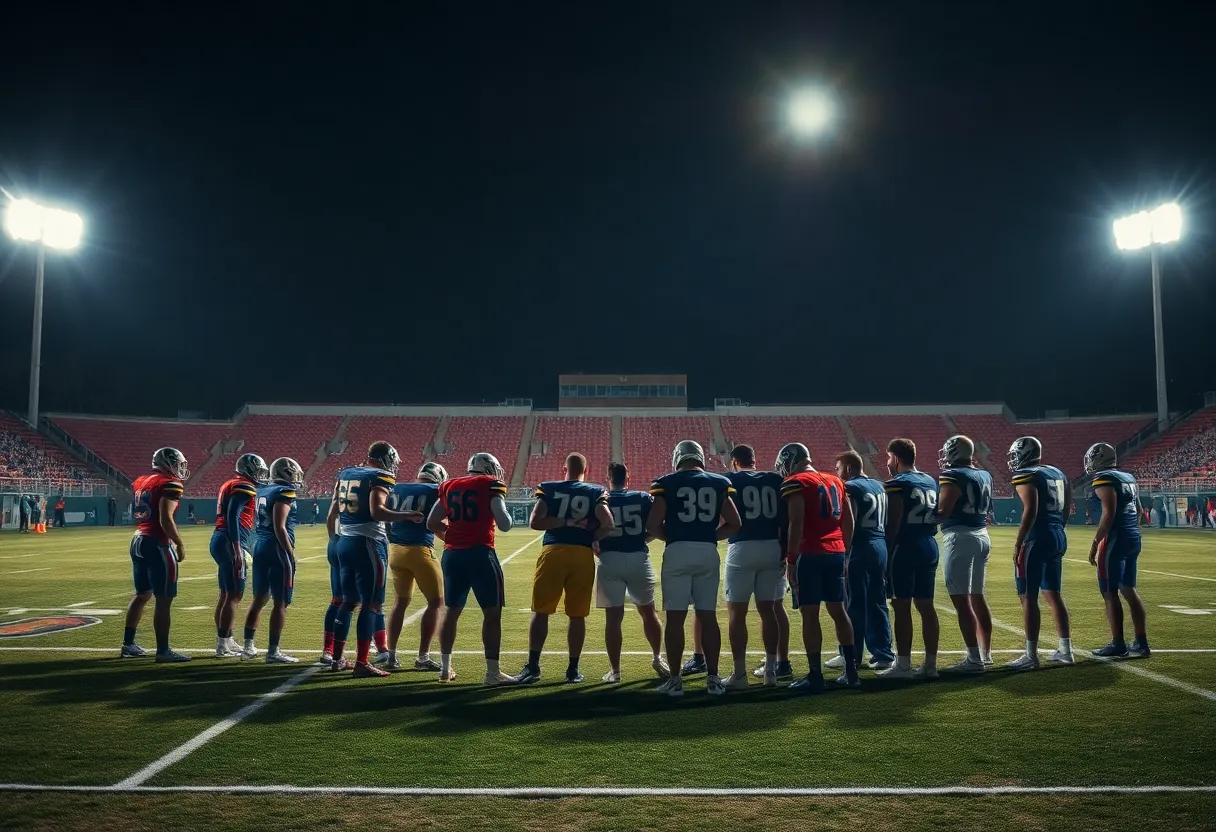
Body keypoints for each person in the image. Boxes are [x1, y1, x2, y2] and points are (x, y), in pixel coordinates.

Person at [646, 439, 741, 697]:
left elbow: (653, 524)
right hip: (706, 552)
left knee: (675, 618)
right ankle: (713, 679)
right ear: (700, 457)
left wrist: (674, 536)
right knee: (707, 615)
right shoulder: (719, 483)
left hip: (677, 552)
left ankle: (676, 681)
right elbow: (734, 523)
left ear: (678, 458)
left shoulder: (667, 482)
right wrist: (709, 535)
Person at [514, 452, 614, 684]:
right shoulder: (595, 491)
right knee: (577, 616)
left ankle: (534, 667)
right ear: (585, 471)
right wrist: (592, 537)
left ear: (564, 469)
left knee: (541, 612)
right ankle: (572, 669)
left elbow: (536, 522)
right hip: (581, 554)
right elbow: (608, 523)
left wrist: (565, 522)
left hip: (554, 551)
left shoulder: (549, 488)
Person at [326, 441, 420, 678]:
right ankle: (361, 662)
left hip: (344, 542)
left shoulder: (347, 472)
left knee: (347, 602)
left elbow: (334, 510)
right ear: (386, 457)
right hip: (367, 543)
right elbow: (377, 511)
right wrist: (408, 515)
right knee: (371, 604)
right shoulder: (380, 476)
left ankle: (337, 659)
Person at [426, 452, 515, 685]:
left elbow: (431, 522)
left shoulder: (449, 485)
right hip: (480, 554)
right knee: (492, 614)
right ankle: (492, 673)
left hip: (452, 555)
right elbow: (504, 524)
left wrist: (452, 536)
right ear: (490, 468)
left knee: (452, 612)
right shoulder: (490, 484)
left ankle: (445, 670)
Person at [777, 442, 859, 692]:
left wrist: (791, 559)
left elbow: (797, 523)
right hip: (835, 551)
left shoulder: (797, 482)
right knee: (838, 610)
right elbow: (849, 522)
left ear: (791, 460)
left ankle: (815, 675)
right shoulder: (835, 480)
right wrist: (844, 553)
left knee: (810, 614)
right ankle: (851, 672)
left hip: (809, 553)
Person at [715, 444, 786, 689]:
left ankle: (740, 674)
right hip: (772, 547)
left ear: (735, 461)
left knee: (737, 613)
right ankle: (770, 672)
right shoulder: (775, 479)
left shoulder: (730, 478)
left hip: (743, 546)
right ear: (754, 459)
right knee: (769, 610)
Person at [597, 462, 669, 682]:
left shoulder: (601, 499)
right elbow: (658, 524)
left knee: (613, 618)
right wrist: (643, 538)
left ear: (609, 479)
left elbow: (594, 531)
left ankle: (616, 672)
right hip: (639, 558)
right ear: (627, 479)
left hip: (609, 559)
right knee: (649, 612)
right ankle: (658, 658)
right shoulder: (642, 498)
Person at [1008, 436, 1074, 670]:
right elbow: (1068, 504)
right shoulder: (1057, 472)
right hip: (1057, 534)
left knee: (1028, 597)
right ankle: (1066, 651)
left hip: (1037, 537)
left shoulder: (1026, 474)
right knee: (1053, 594)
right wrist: (1059, 527)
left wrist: (1019, 542)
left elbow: (1031, 509)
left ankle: (1030, 655)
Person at [878, 438, 941, 680]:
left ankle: (903, 665)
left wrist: (887, 552)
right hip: (929, 544)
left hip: (905, 547)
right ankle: (931, 664)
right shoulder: (929, 480)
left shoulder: (897, 484)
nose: (887, 462)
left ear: (896, 458)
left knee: (901, 606)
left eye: (888, 457)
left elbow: (893, 524)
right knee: (926, 606)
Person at [122, 447, 190, 663]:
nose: (180, 469)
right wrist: (178, 543)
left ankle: (128, 644)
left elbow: (139, 514)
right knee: (163, 599)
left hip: (138, 538)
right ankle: (163, 650)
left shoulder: (141, 480)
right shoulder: (169, 483)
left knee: (142, 594)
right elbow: (165, 518)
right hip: (156, 543)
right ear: (168, 462)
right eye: (178, 463)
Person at [828, 450, 894, 673]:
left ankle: (851, 655)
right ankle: (883, 652)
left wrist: (844, 554)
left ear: (847, 468)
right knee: (877, 602)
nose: (837, 473)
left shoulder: (850, 487)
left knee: (853, 603)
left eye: (838, 468)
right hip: (879, 544)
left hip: (860, 547)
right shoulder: (878, 485)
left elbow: (850, 522)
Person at [935, 436, 994, 674]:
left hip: (959, 537)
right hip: (982, 535)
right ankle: (985, 653)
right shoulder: (985, 474)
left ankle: (973, 659)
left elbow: (943, 511)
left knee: (961, 600)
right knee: (977, 596)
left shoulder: (952, 475)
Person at [1086, 443, 1151, 658]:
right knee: (1129, 589)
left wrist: (1096, 542)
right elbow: (1140, 511)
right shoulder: (1128, 477)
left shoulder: (1104, 479)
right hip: (1132, 536)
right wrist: (1132, 531)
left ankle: (1118, 643)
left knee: (1109, 592)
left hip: (1115, 538)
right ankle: (1141, 642)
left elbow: (1109, 513)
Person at [384, 461, 448, 671]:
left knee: (400, 602)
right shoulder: (436, 490)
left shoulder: (398, 487)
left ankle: (391, 656)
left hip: (395, 551)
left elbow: (385, 518)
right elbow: (437, 525)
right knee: (436, 602)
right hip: (419, 551)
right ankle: (422, 657)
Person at [245, 457, 305, 663]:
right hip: (276, 547)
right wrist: (290, 552)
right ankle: (273, 651)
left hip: (260, 544)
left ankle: (248, 646)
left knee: (260, 598)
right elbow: (280, 527)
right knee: (280, 601)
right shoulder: (284, 492)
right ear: (287, 473)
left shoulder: (262, 489)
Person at [209, 454, 268, 658]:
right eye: (258, 470)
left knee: (226, 594)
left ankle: (225, 640)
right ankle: (222, 645)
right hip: (229, 541)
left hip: (220, 538)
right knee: (234, 595)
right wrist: (236, 548)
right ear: (249, 469)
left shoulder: (231, 483)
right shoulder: (244, 486)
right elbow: (233, 515)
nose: (260, 475)